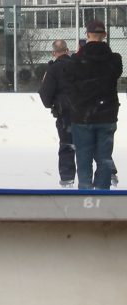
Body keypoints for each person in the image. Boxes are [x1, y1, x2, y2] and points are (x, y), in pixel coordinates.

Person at [64, 20, 122, 190]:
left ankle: (85, 192)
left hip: (82, 116)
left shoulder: (76, 60)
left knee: (83, 157)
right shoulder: (114, 60)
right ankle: (103, 193)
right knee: (104, 156)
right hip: (107, 114)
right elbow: (114, 73)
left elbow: (69, 84)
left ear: (87, 35)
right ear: (104, 35)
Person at [38, 39, 77, 188]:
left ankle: (67, 178)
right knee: (86, 145)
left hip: (64, 112)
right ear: (67, 51)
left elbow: (45, 93)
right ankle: (92, 177)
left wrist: (51, 104)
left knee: (67, 145)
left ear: (54, 53)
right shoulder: (77, 65)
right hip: (82, 110)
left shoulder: (53, 69)